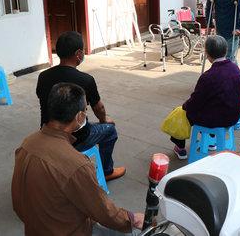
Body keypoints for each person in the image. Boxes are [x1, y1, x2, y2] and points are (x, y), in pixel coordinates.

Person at [12, 83, 144, 235]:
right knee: (136, 231)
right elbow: (104, 212)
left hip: (34, 229)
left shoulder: (27, 143)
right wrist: (132, 218)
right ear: (80, 116)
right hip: (70, 231)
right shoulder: (77, 165)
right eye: (85, 110)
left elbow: (18, 202)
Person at [36, 31, 125, 181]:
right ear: (78, 54)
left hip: (47, 132)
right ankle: (107, 172)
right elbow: (99, 108)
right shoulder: (86, 80)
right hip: (74, 139)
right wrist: (104, 119)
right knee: (110, 131)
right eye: (82, 51)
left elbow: (41, 97)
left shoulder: (43, 76)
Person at [171, 35, 240, 159]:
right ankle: (211, 141)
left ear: (207, 54)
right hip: (234, 115)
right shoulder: (235, 68)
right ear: (225, 50)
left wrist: (184, 107)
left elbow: (195, 102)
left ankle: (180, 148)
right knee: (212, 104)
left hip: (216, 119)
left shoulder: (208, 76)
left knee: (182, 112)